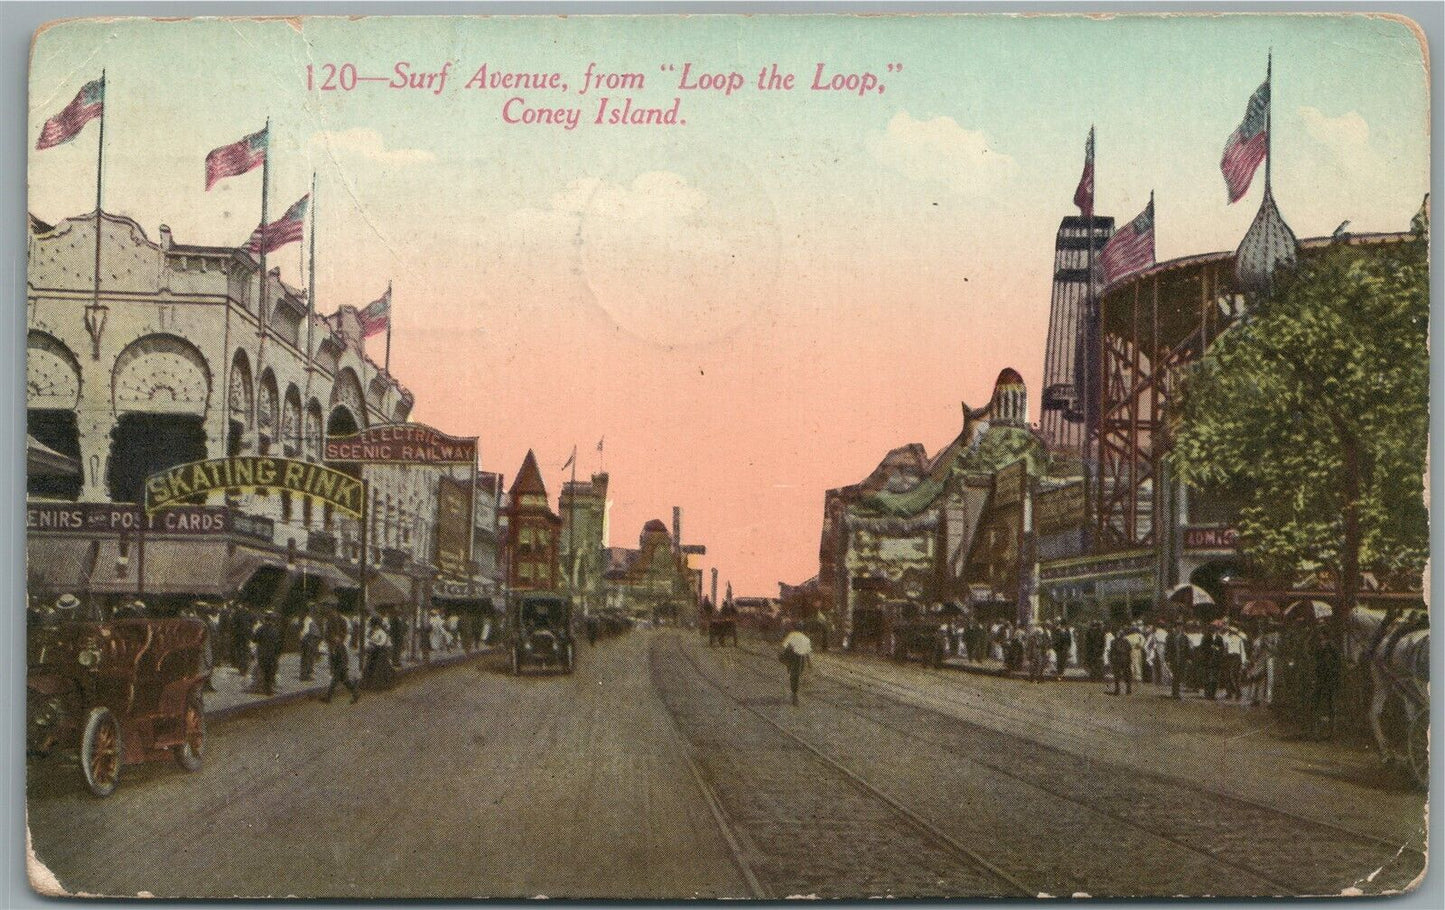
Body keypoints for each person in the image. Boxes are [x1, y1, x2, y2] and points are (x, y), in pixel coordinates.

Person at [319, 600, 359, 704]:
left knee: (337, 675)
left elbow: (344, 633)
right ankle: (355, 693)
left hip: (339, 650)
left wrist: (337, 638)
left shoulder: (340, 620)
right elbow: (327, 635)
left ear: (332, 609)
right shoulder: (332, 619)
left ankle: (328, 697)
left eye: (328, 608)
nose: (326, 610)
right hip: (334, 649)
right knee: (343, 677)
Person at [1311, 626, 1341, 739]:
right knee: (1319, 703)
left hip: (1329, 678)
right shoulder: (1319, 646)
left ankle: (1331, 730)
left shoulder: (1331, 646)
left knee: (1330, 704)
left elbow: (1336, 661)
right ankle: (1319, 730)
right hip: (1321, 677)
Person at [779, 623, 812, 706]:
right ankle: (795, 693)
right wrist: (809, 663)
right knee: (797, 674)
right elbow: (808, 653)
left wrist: (782, 656)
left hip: (793, 656)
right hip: (802, 658)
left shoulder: (792, 634)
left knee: (794, 675)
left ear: (795, 628)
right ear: (802, 630)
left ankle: (794, 693)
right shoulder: (806, 639)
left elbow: (783, 646)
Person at [251, 610, 283, 696]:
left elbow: (254, 639)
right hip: (272, 654)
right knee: (271, 671)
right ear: (272, 620)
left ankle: (264, 687)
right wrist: (277, 654)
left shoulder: (260, 629)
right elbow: (278, 644)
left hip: (262, 653)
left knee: (263, 670)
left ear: (265, 619)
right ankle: (269, 688)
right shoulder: (275, 630)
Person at [362, 616, 396, 690]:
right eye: (372, 626)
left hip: (381, 652)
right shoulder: (372, 632)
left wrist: (373, 643)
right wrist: (369, 644)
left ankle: (381, 685)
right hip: (374, 652)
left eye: (374, 625)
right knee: (369, 666)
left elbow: (382, 643)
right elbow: (368, 641)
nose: (373, 627)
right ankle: (368, 684)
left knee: (380, 668)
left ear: (378, 625)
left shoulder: (382, 632)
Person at [298, 606, 322, 681]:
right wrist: (304, 641)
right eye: (313, 612)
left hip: (311, 641)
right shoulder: (308, 620)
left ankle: (307, 674)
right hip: (309, 641)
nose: (315, 613)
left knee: (310, 658)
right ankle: (305, 675)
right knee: (308, 658)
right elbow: (305, 631)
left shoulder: (311, 620)